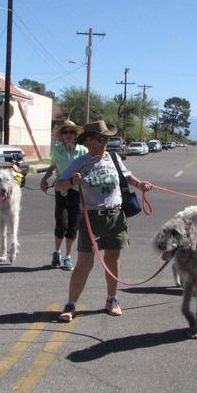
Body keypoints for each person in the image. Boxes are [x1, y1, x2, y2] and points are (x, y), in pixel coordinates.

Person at [54, 120, 153, 322]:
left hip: (116, 216)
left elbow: (127, 177)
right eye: (101, 138)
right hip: (91, 218)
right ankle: (71, 304)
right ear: (89, 141)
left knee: (113, 260)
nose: (106, 141)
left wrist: (140, 184)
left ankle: (112, 299)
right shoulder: (80, 162)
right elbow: (58, 185)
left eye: (107, 138)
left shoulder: (114, 158)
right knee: (84, 264)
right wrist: (73, 181)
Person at [40, 120, 88, 270]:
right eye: (65, 132)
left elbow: (89, 169)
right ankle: (56, 252)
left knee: (73, 224)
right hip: (61, 189)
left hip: (77, 191)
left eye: (71, 132)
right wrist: (44, 178)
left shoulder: (83, 151)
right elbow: (53, 167)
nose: (68, 135)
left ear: (75, 135)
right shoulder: (57, 150)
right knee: (61, 222)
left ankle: (68, 256)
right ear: (61, 135)